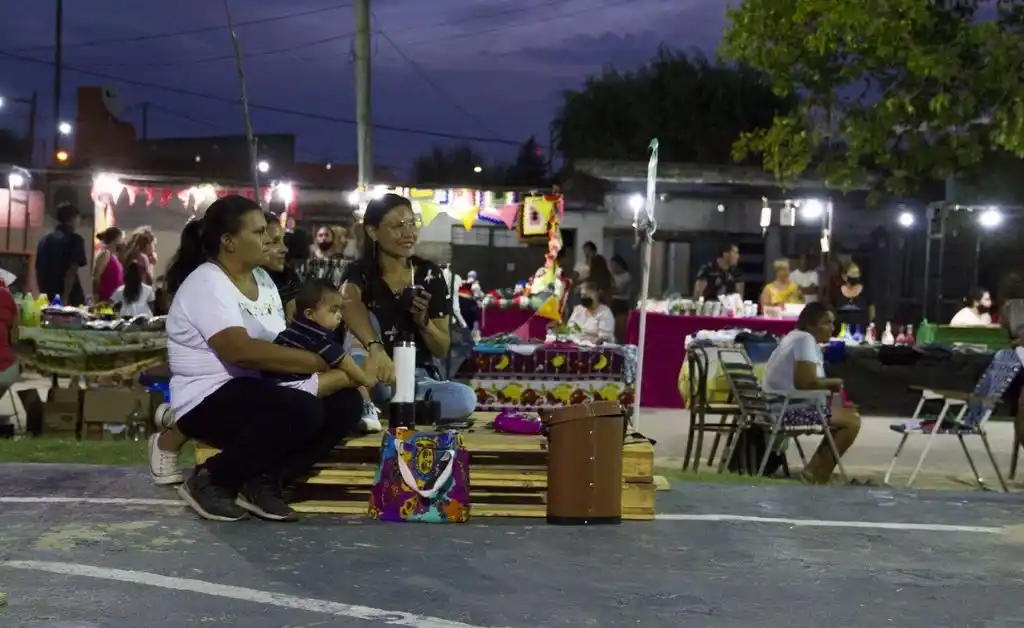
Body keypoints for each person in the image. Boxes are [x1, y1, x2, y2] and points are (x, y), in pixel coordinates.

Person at [156, 195, 363, 522]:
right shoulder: (207, 283)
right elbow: (240, 351)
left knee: (347, 403)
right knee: (302, 407)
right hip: (208, 399)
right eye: (257, 233)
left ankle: (264, 481)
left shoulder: (264, 280)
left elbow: (281, 341)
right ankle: (212, 479)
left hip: (259, 389)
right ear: (229, 242)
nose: (268, 239)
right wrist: (315, 363)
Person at [340, 193, 476, 422]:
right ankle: (395, 408)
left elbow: (442, 348)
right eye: (398, 226)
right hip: (374, 374)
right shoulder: (360, 272)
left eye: (412, 223)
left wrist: (422, 321)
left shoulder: (428, 274)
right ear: (373, 232)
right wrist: (376, 349)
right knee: (367, 319)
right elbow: (347, 302)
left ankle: (387, 410)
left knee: (463, 399)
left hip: (416, 381)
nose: (409, 233)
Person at [763, 302, 862, 484]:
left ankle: (814, 471)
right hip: (785, 410)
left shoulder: (795, 338)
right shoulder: (804, 340)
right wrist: (834, 383)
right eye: (826, 323)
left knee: (846, 416)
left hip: (778, 405)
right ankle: (819, 475)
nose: (832, 328)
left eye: (833, 323)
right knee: (852, 422)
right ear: (810, 324)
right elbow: (805, 382)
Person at [268, 279, 382, 431]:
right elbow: (345, 361)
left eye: (340, 310)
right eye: (333, 310)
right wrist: (365, 379)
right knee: (348, 376)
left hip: (271, 387)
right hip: (294, 388)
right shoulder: (317, 336)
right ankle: (366, 408)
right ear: (310, 314)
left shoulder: (291, 331)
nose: (339, 316)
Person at [35, 202, 88, 305]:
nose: (79, 221)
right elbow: (71, 271)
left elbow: (39, 270)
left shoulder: (44, 241)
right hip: (70, 296)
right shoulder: (75, 240)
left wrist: (43, 293)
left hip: (47, 292)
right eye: (78, 218)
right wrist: (64, 297)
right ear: (72, 219)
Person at [831, 262, 874, 331]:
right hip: (841, 332)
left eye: (857, 273)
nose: (855, 276)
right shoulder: (836, 292)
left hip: (860, 331)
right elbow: (832, 311)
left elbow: (871, 312)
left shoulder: (866, 291)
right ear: (844, 276)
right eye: (852, 273)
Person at [92, 227, 124, 302]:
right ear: (117, 238)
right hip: (105, 299)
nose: (122, 241)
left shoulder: (115, 257)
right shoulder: (105, 254)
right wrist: (96, 297)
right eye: (121, 238)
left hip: (114, 300)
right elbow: (96, 277)